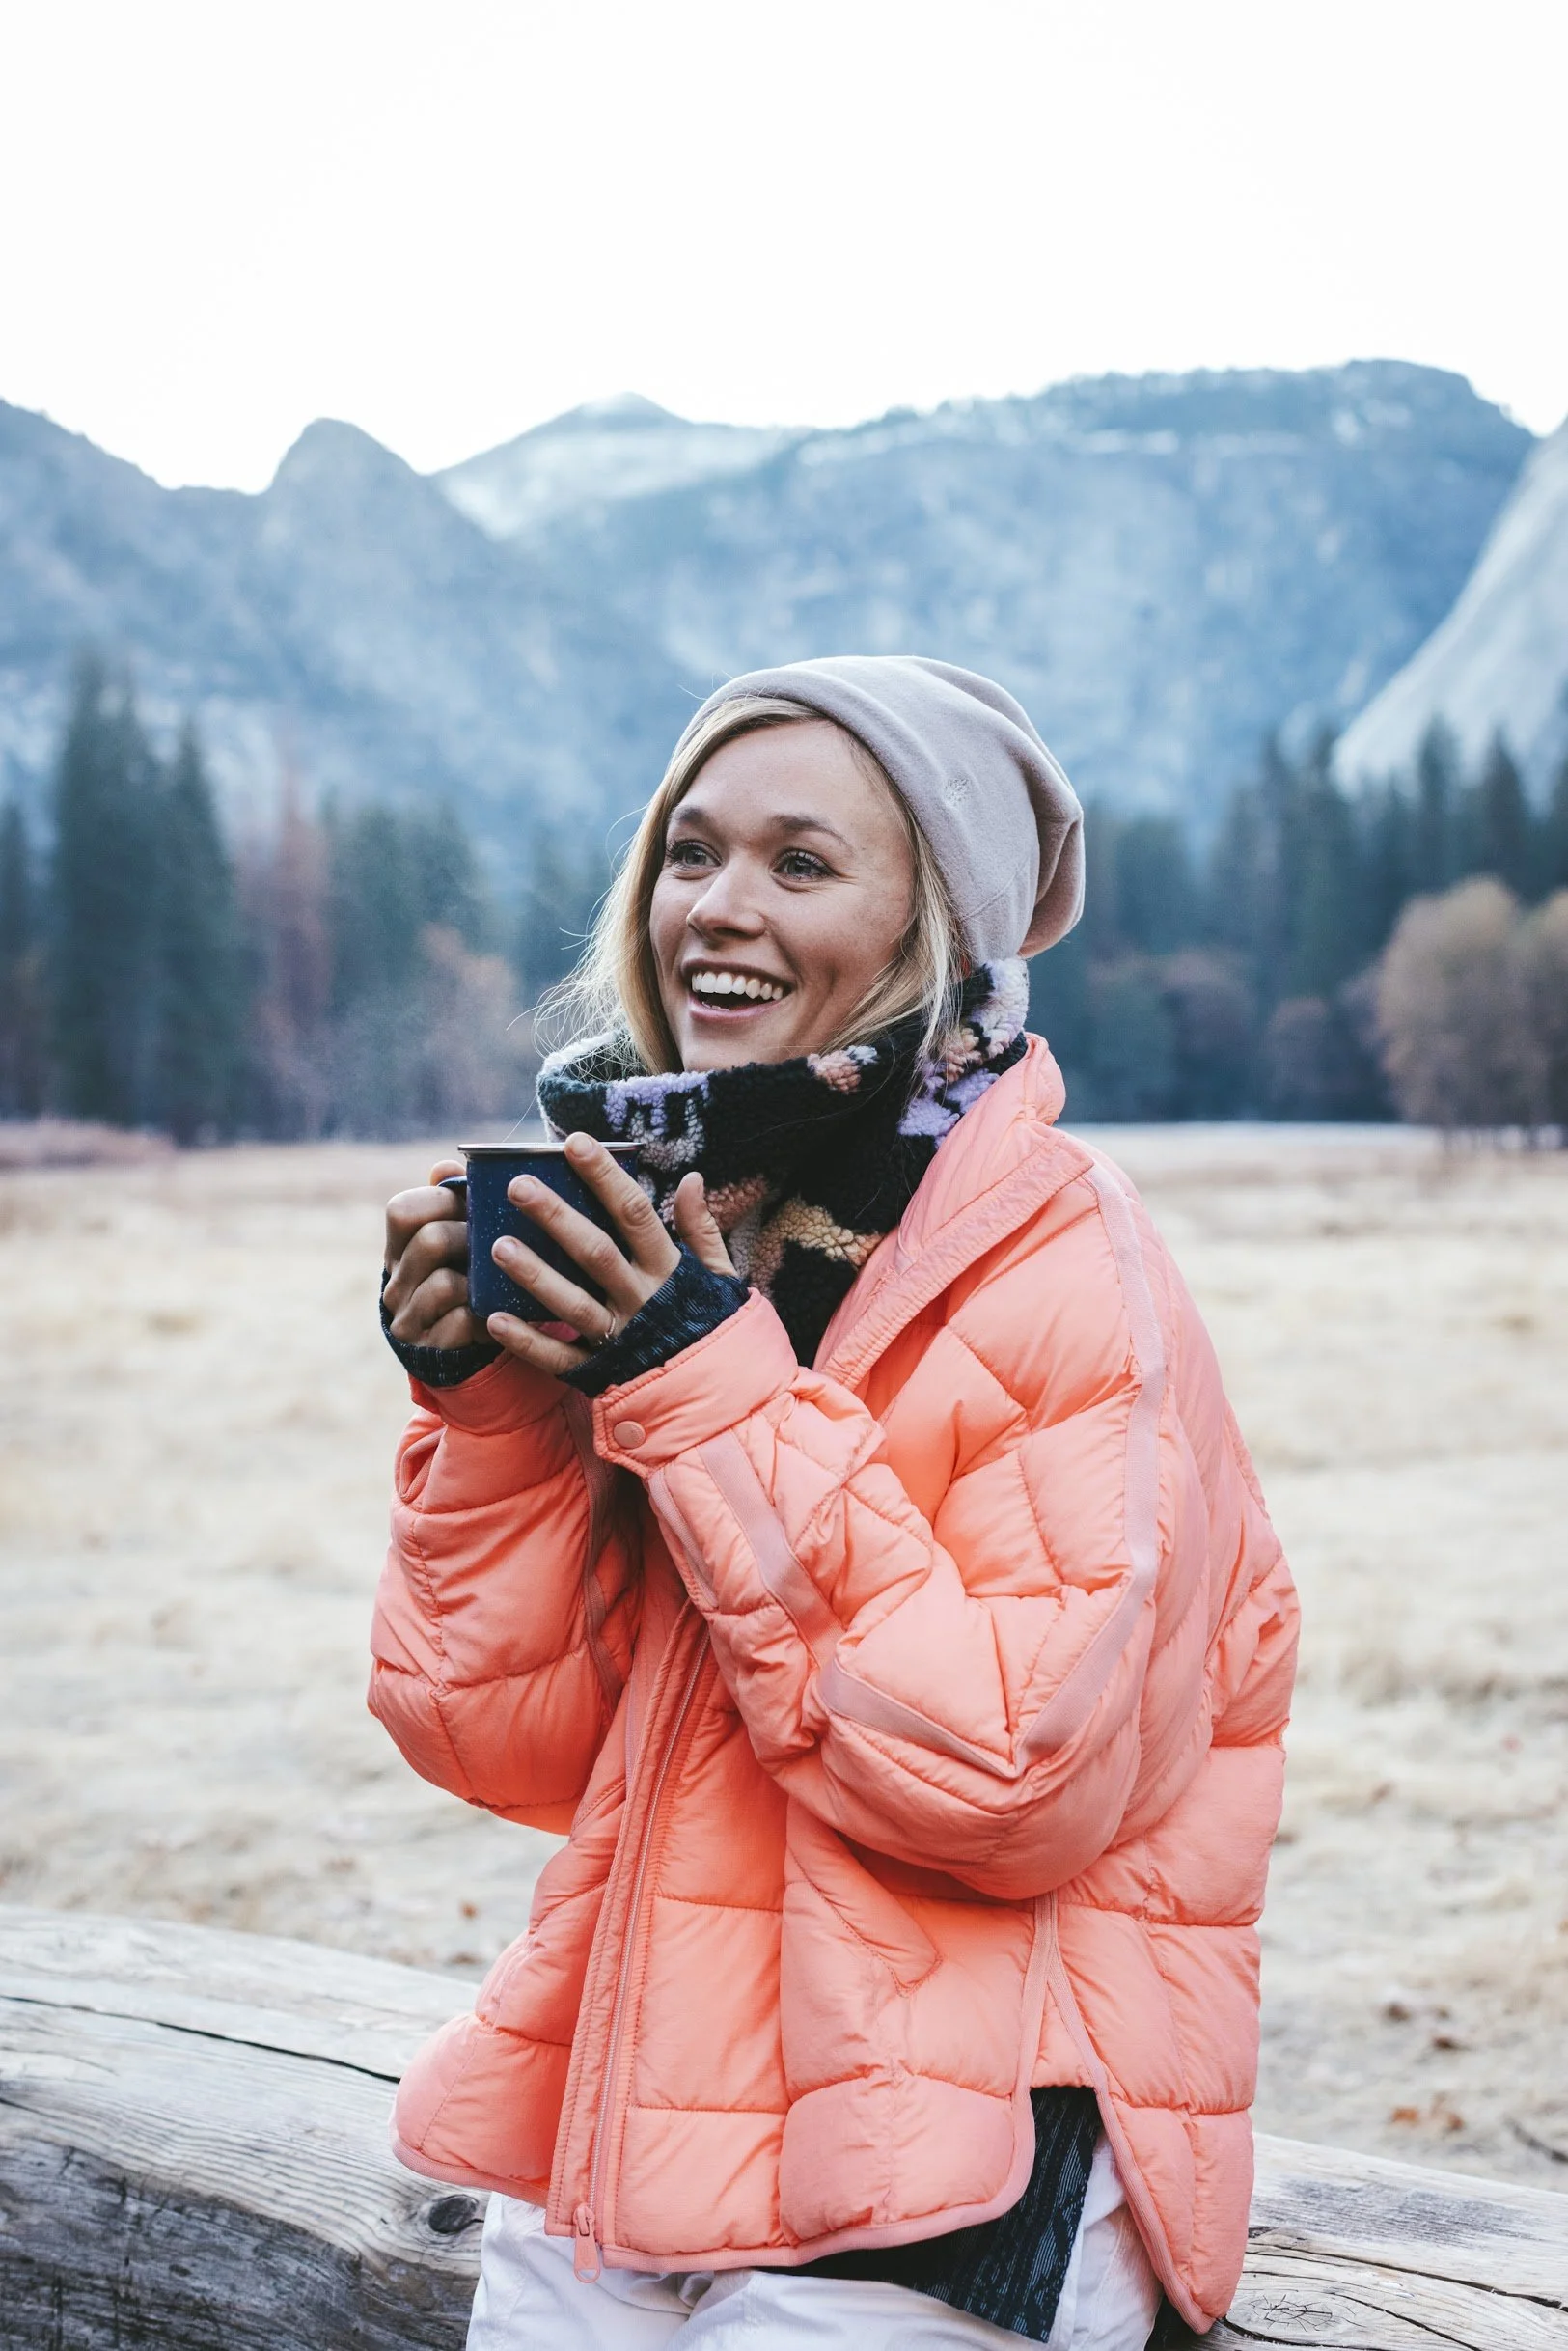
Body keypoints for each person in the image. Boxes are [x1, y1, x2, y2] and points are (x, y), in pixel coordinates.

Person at [373, 657, 1298, 2350]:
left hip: (966, 2150)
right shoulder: (687, 1229)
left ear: (930, 934)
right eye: (692, 850)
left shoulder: (1065, 1259)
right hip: (654, 2098)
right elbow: (500, 1745)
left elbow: (1014, 1780)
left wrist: (696, 1381)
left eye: (802, 863)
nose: (721, 906)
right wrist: (488, 1405)